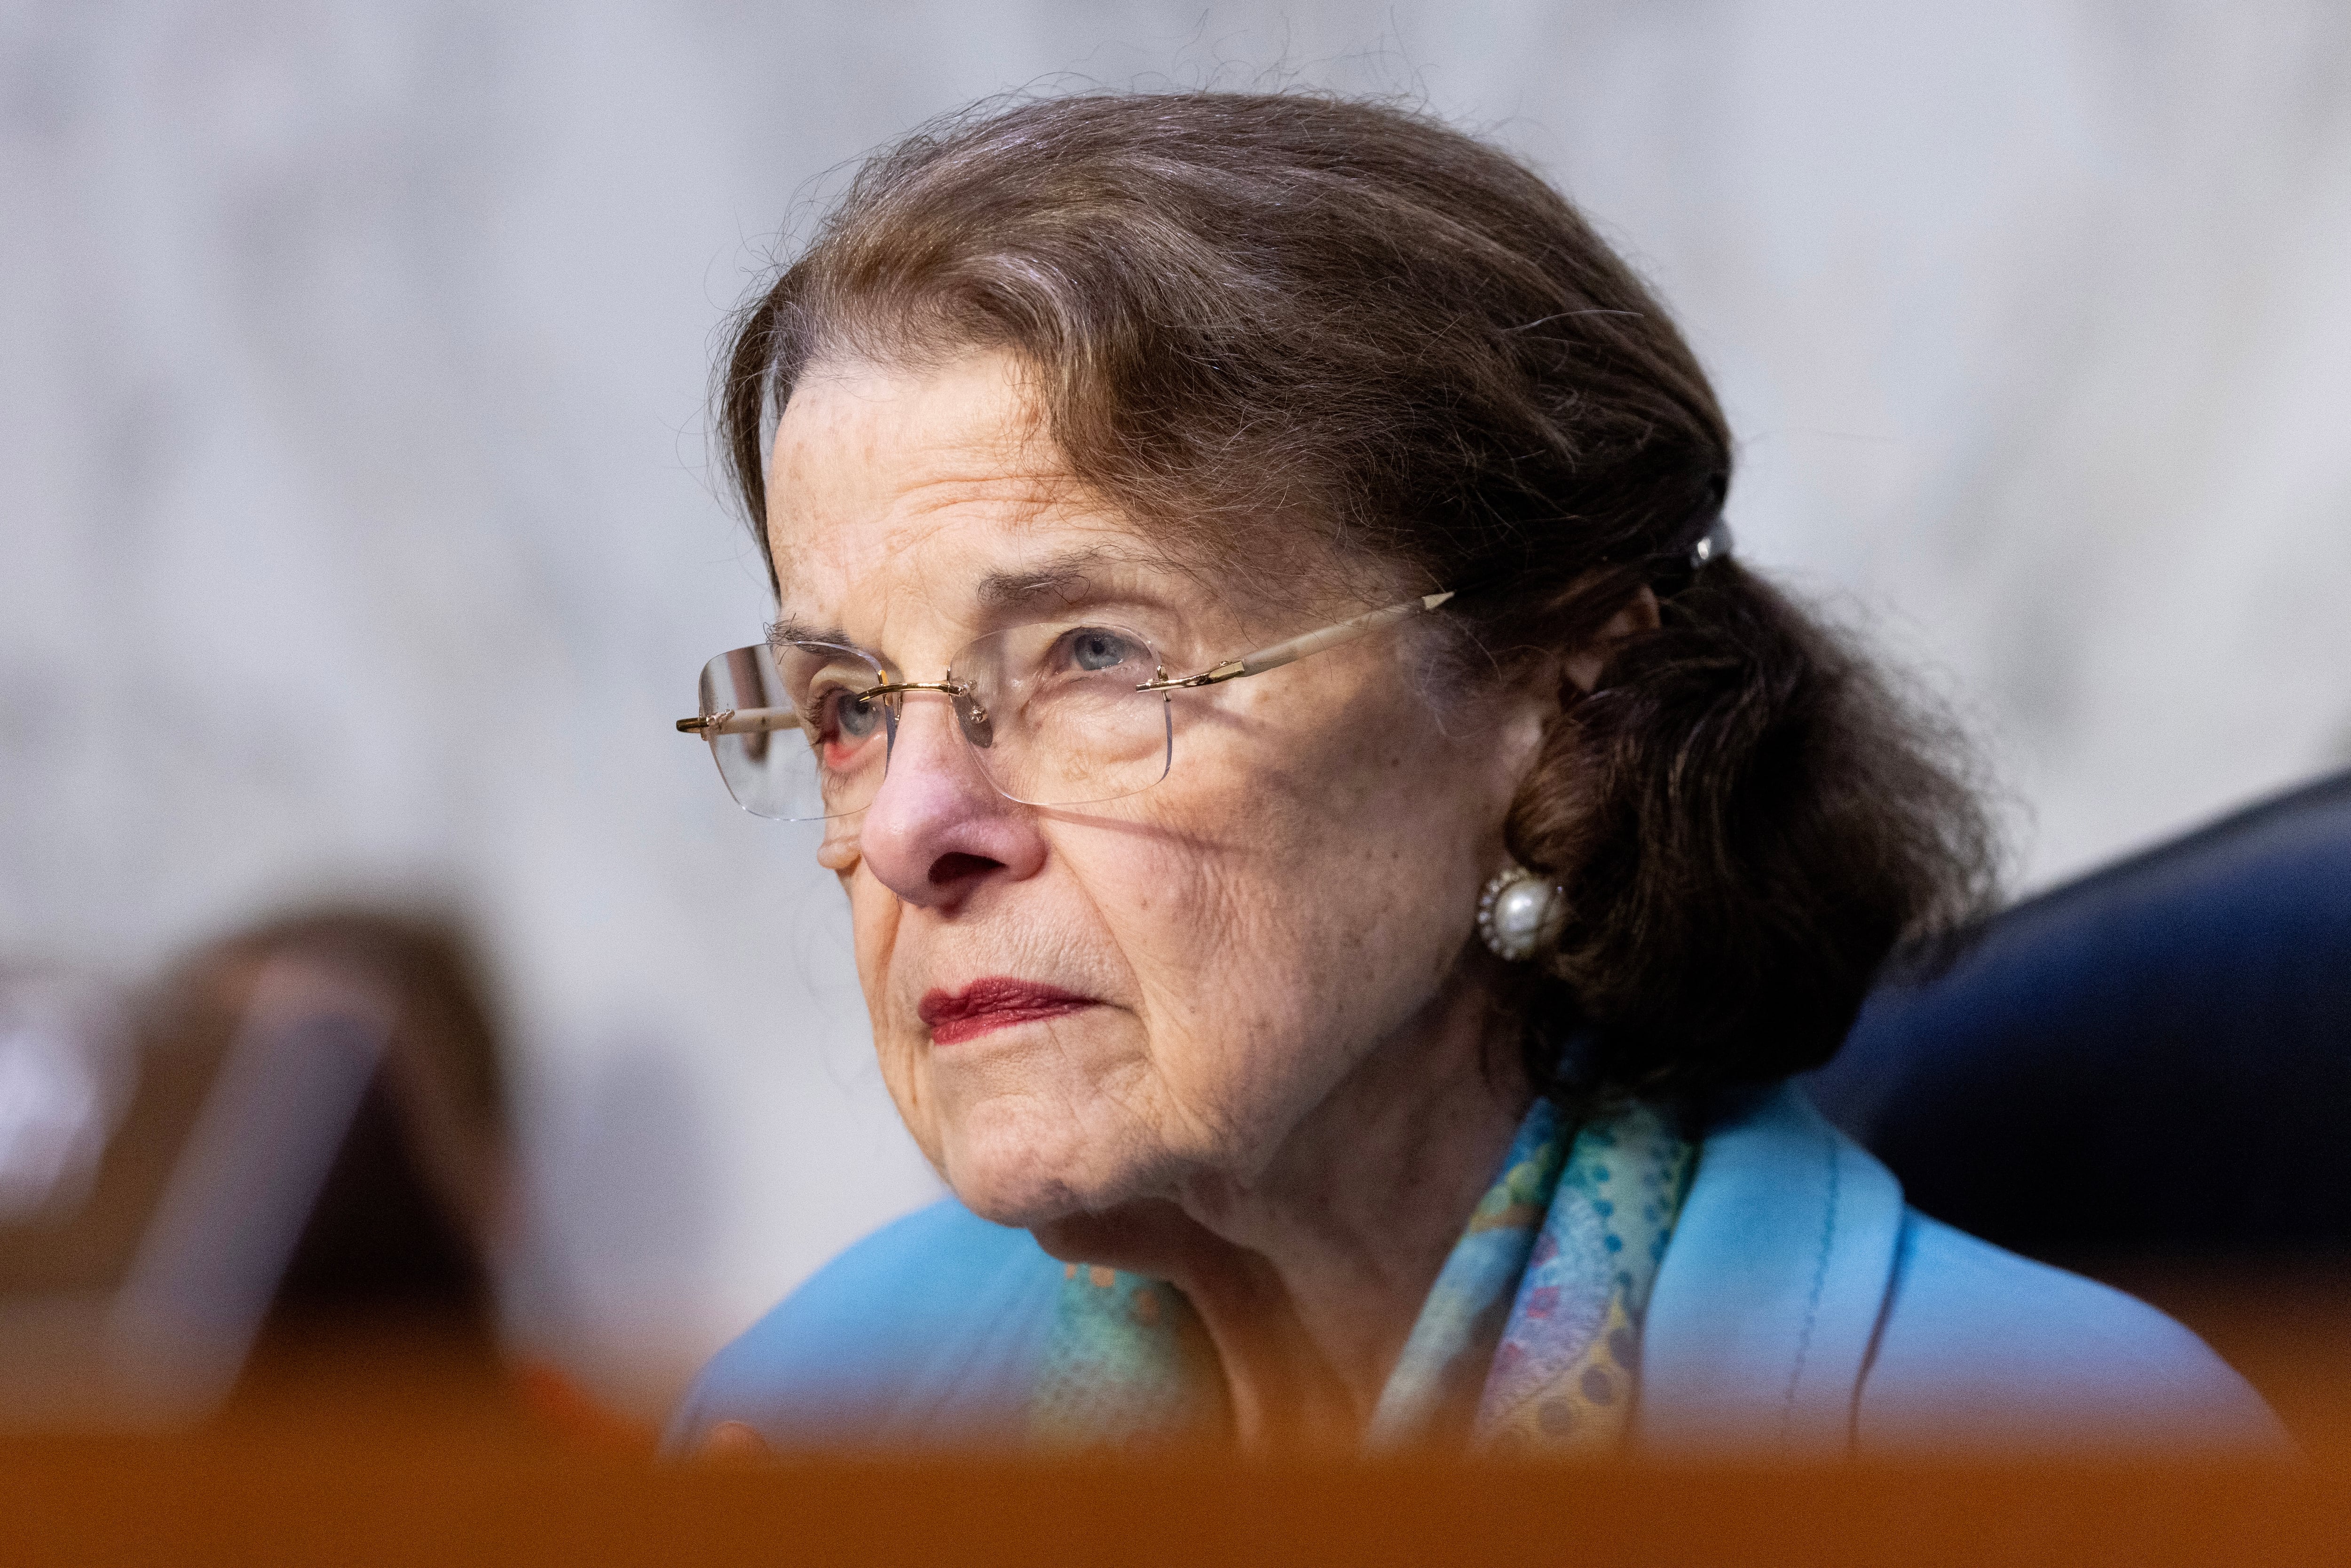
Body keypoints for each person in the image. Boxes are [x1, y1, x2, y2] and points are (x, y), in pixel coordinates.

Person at [664, 93, 2280, 1458]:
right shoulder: (794, 1426)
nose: (908, 830)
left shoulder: (2070, 1467)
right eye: (853, 703)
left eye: (1094, 655)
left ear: (1559, 686)